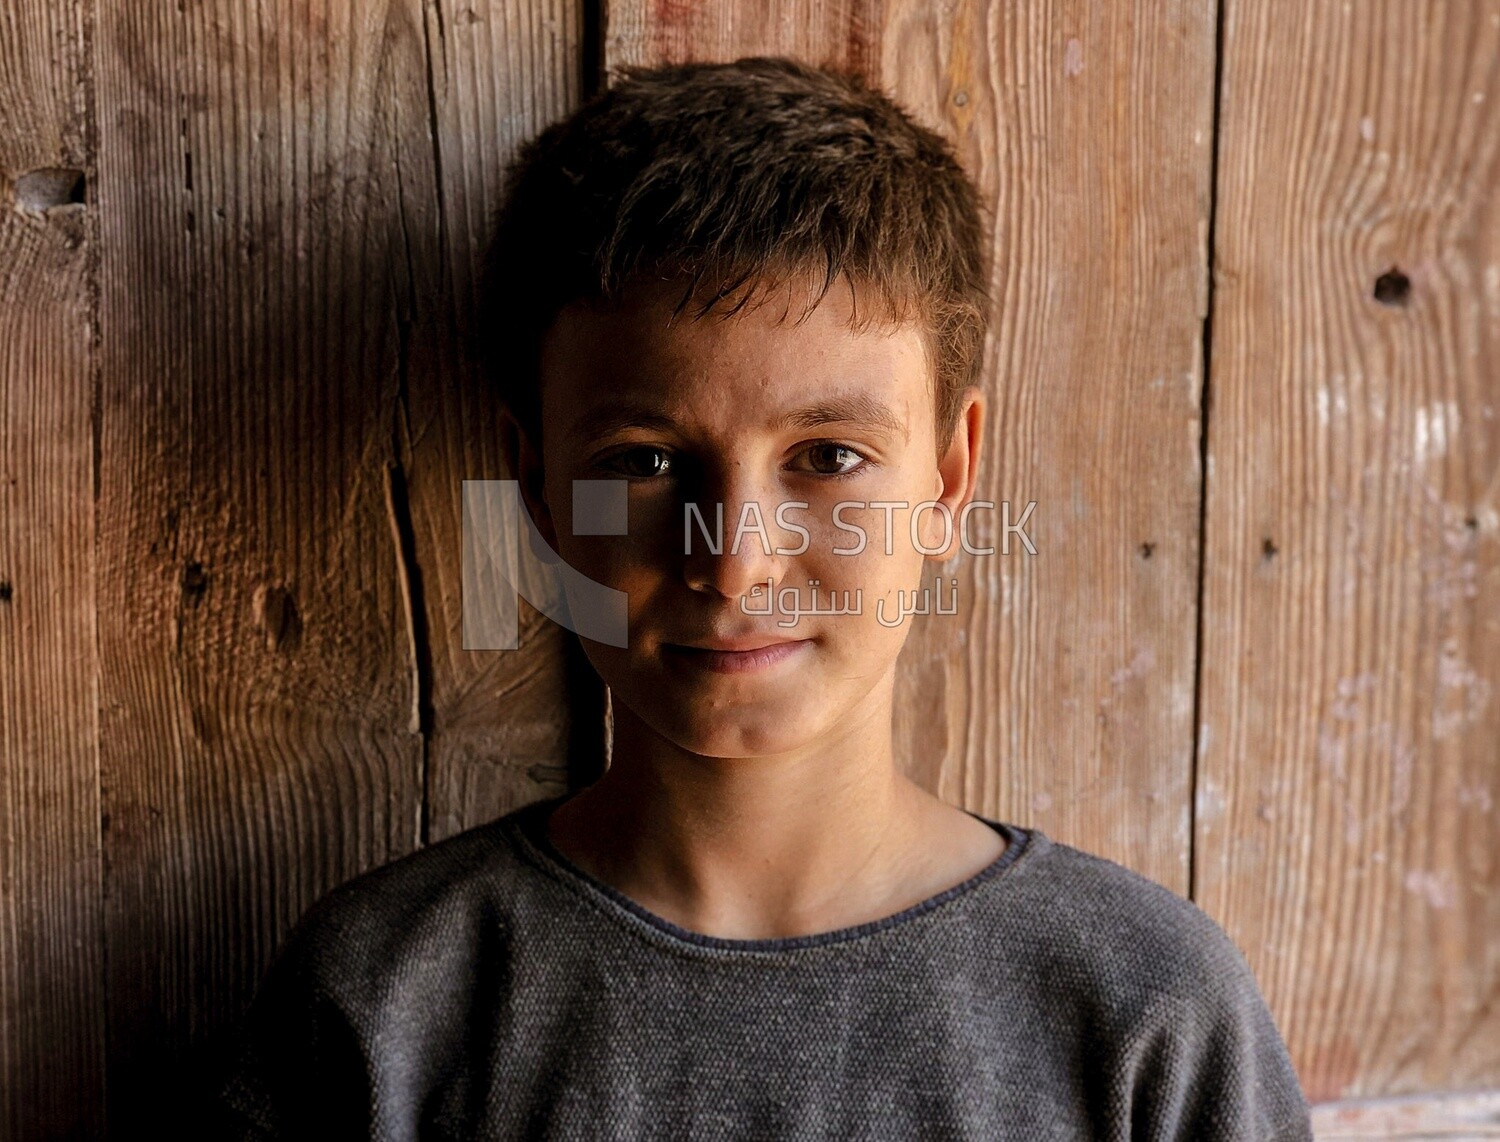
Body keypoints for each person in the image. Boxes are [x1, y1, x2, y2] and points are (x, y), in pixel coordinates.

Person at [213, 56, 1314, 1140]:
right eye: (643, 462)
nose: (734, 561)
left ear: (949, 475)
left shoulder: (1146, 1015)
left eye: (828, 457)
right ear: (538, 488)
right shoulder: (383, 1007)